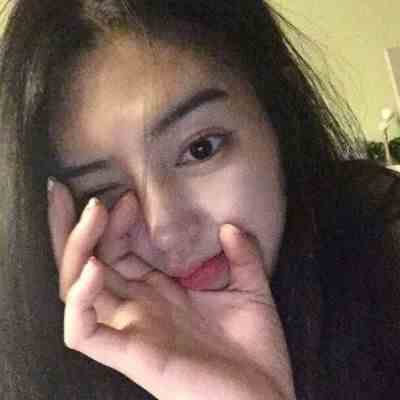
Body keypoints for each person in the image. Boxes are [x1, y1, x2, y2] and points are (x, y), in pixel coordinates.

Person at [0, 0, 399, 399]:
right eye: (101, 194)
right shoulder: (46, 373)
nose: (166, 232)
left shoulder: (383, 245)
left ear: (278, 113)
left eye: (201, 149)